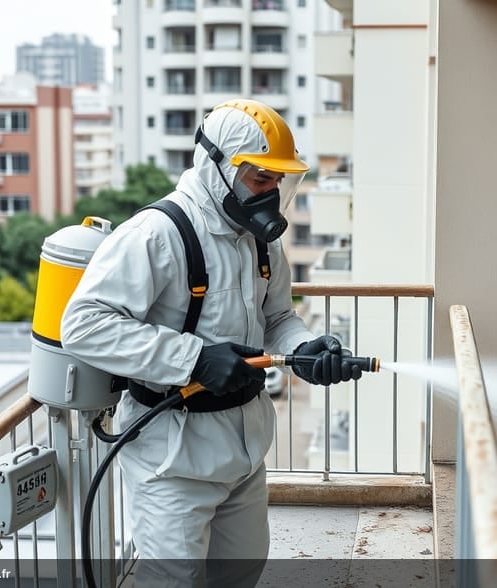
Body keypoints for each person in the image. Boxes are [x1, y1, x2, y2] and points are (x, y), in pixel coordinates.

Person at [60, 99, 363, 587]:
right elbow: (84, 324)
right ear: (215, 165)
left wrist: (305, 349)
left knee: (241, 573)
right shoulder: (158, 234)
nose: (272, 192)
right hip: (172, 459)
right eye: (260, 179)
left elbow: (278, 317)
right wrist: (195, 359)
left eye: (278, 181)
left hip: (243, 450)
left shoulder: (261, 242)